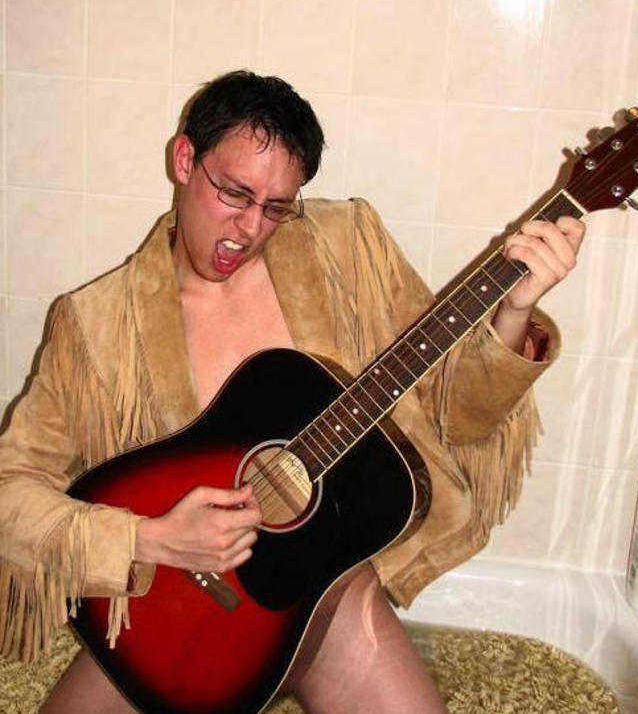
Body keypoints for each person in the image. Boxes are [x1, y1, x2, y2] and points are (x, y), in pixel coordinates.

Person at [0, 70, 584, 714]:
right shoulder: (96, 323)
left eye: (277, 207)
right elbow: (9, 492)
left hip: (327, 600)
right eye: (234, 193)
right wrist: (151, 540)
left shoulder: (348, 247)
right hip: (172, 609)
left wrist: (512, 312)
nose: (250, 227)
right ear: (185, 160)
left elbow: (455, 413)